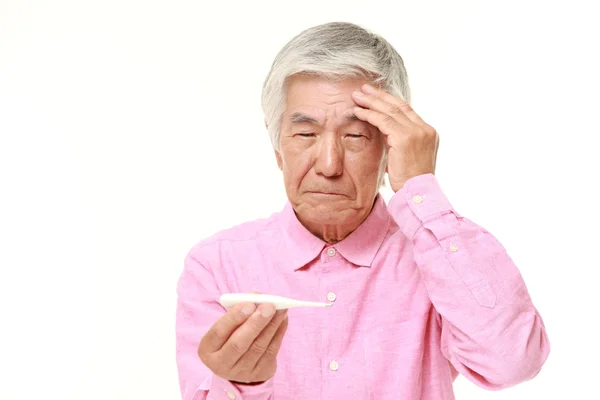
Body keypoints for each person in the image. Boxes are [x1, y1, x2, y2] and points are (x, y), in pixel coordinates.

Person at [175, 21, 550, 400]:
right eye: (305, 134)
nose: (329, 164)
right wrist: (243, 384)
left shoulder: (436, 256)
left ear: (390, 147)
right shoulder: (218, 264)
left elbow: (512, 363)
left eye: (355, 135)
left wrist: (421, 190)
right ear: (277, 147)